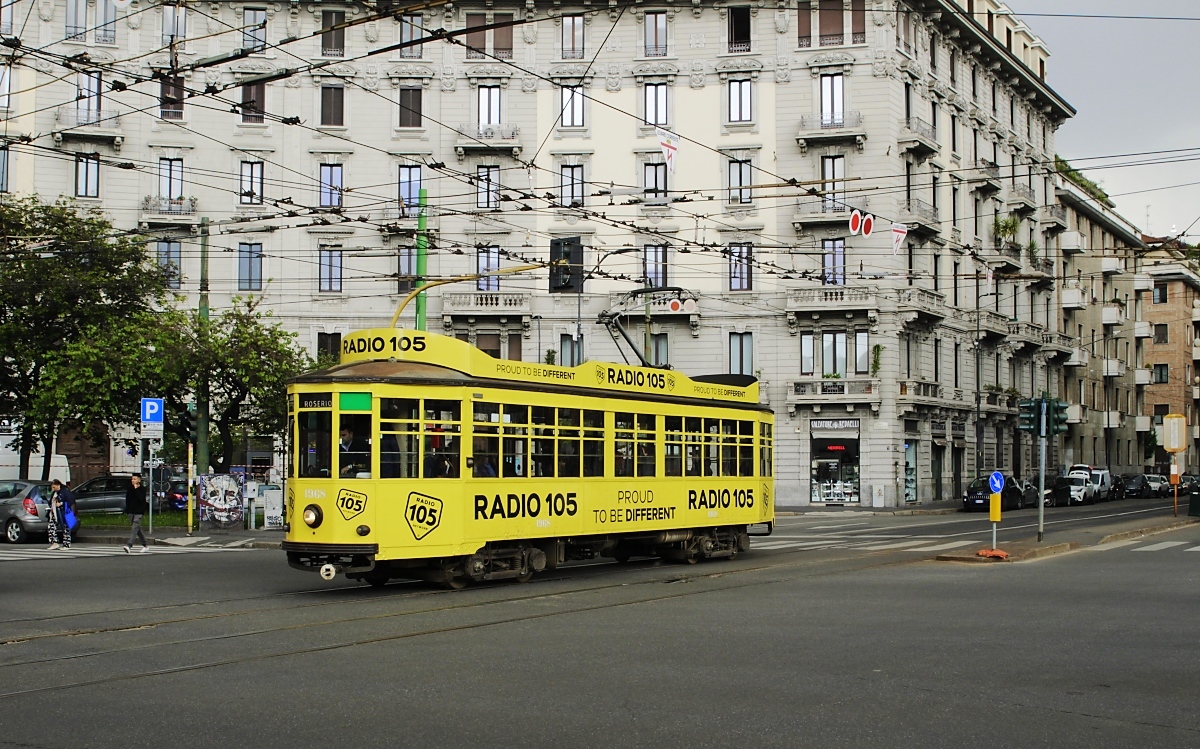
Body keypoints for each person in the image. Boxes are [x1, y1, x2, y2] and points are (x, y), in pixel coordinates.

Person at [123, 474, 150, 553]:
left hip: (139, 512)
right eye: (132, 479)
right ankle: (145, 545)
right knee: (137, 529)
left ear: (139, 480)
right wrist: (127, 510)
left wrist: (136, 489)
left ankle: (129, 545)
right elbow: (127, 500)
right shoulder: (130, 489)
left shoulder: (142, 489)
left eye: (134, 479)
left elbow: (141, 499)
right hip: (131, 511)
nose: (133, 481)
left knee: (134, 528)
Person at [47, 479, 76, 550]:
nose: (53, 489)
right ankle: (54, 543)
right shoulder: (54, 493)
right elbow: (51, 501)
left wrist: (61, 503)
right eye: (52, 487)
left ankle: (66, 544)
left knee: (65, 528)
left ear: (58, 485)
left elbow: (71, 500)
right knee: (51, 527)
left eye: (54, 487)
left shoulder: (65, 491)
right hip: (55, 513)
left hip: (64, 513)